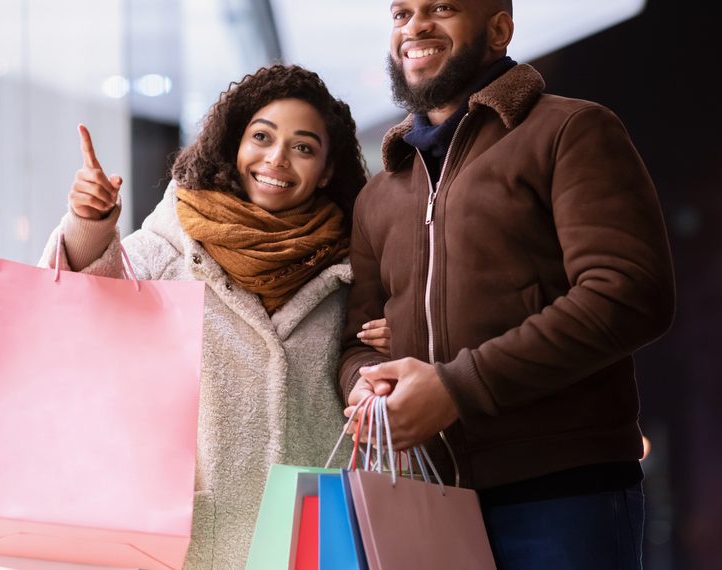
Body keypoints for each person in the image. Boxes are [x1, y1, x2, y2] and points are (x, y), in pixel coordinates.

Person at [338, 1, 675, 568]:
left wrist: (455, 387)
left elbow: (628, 292)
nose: (415, 27)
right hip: (428, 499)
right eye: (401, 13)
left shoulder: (570, 129)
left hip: (563, 494)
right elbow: (354, 344)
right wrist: (366, 390)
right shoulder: (380, 190)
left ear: (499, 28)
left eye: (441, 8)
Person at [40, 64, 381, 568]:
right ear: (233, 146)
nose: (277, 159)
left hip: (312, 544)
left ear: (327, 170)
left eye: (303, 147)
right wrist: (88, 223)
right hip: (190, 544)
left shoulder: (351, 270)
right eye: (261, 136)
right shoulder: (169, 247)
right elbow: (86, 314)